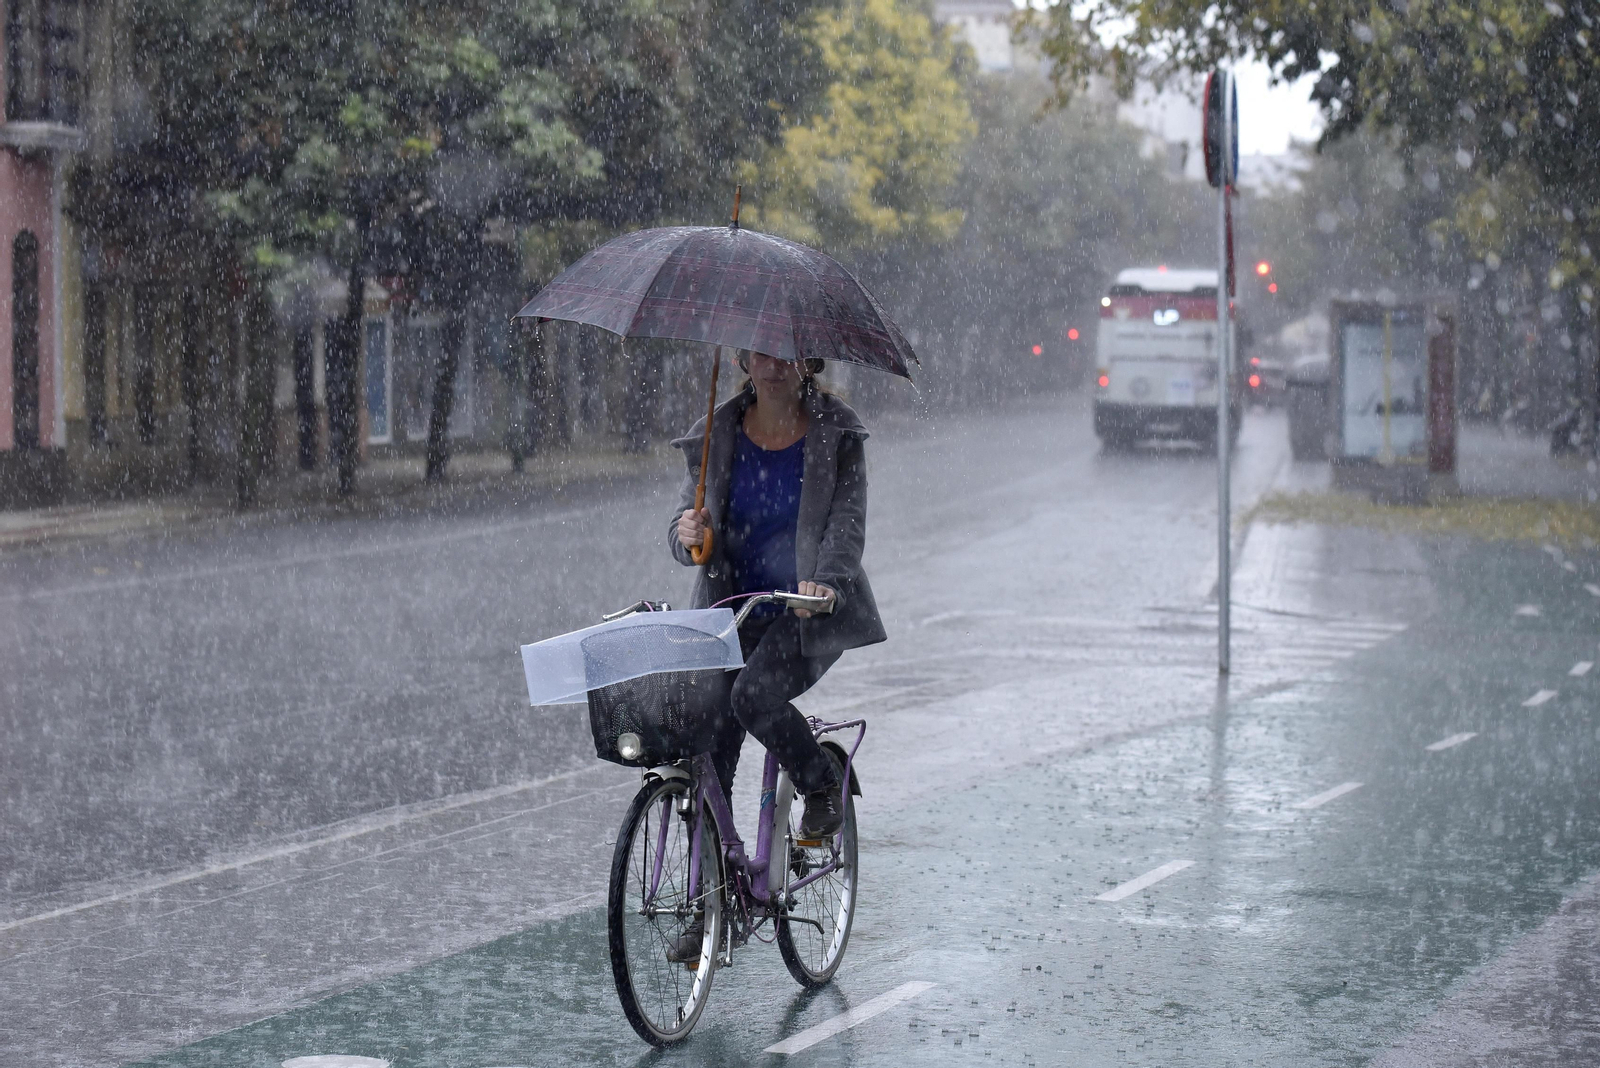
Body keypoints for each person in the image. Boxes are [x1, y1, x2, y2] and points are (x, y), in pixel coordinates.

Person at [669, 349, 887, 840]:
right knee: (710, 745)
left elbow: (846, 526)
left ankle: (821, 784)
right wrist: (688, 533)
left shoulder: (837, 432)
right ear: (744, 360)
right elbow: (684, 530)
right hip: (730, 613)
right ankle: (714, 884)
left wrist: (826, 581)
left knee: (753, 695)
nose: (774, 367)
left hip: (806, 613)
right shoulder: (717, 431)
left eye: (787, 356)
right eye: (763, 354)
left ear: (809, 363)